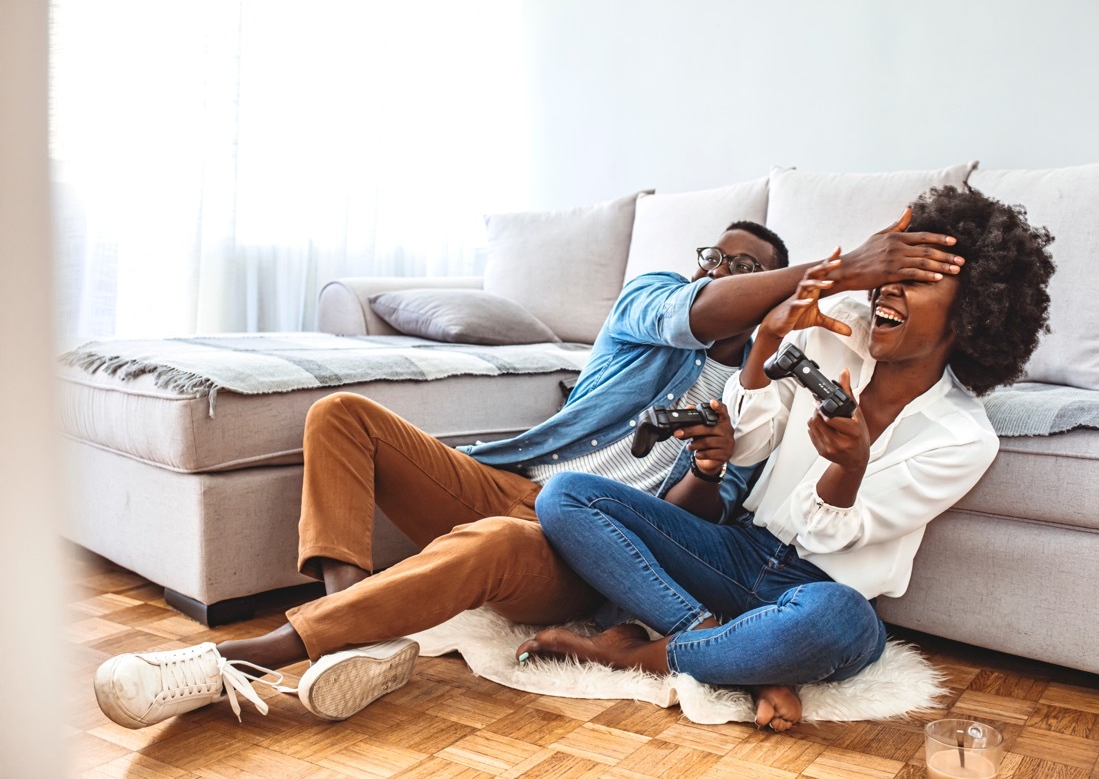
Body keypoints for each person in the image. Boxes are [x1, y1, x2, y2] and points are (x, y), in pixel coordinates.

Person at [93, 215, 964, 730]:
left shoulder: (768, 384)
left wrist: (709, 458)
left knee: (508, 538)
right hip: (521, 475)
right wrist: (818, 271)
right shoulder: (654, 301)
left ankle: (253, 656)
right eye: (721, 258)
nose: (723, 271)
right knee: (341, 414)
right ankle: (353, 625)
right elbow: (692, 311)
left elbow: (705, 519)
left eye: (747, 268)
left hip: (590, 546)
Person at [519, 185, 1056, 732]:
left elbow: (826, 536)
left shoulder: (963, 438)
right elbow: (749, 445)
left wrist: (847, 467)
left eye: (916, 280)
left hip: (817, 588)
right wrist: (769, 336)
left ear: (971, 314)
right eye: (891, 272)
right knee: (567, 496)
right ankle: (722, 644)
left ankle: (633, 658)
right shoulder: (835, 328)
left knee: (841, 625)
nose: (887, 287)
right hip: (737, 551)